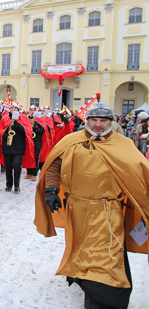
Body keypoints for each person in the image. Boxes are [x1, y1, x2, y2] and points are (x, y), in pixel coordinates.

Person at [35, 101, 149, 309]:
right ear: (87, 121)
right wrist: (51, 189)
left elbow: (139, 174)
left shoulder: (123, 145)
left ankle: (105, 298)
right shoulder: (71, 141)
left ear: (110, 122)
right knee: (82, 252)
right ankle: (86, 282)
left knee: (107, 255)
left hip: (108, 211)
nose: (98, 125)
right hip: (77, 209)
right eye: (94, 120)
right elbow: (54, 166)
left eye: (103, 120)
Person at [0, 102, 35, 193]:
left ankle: (17, 185)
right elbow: (0, 131)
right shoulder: (5, 119)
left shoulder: (24, 118)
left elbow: (28, 132)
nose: (13, 109)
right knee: (8, 166)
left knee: (17, 165)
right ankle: (9, 184)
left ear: (18, 110)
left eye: (15, 108)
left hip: (19, 146)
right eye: (12, 108)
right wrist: (6, 136)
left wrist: (17, 126)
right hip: (7, 146)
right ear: (9, 109)